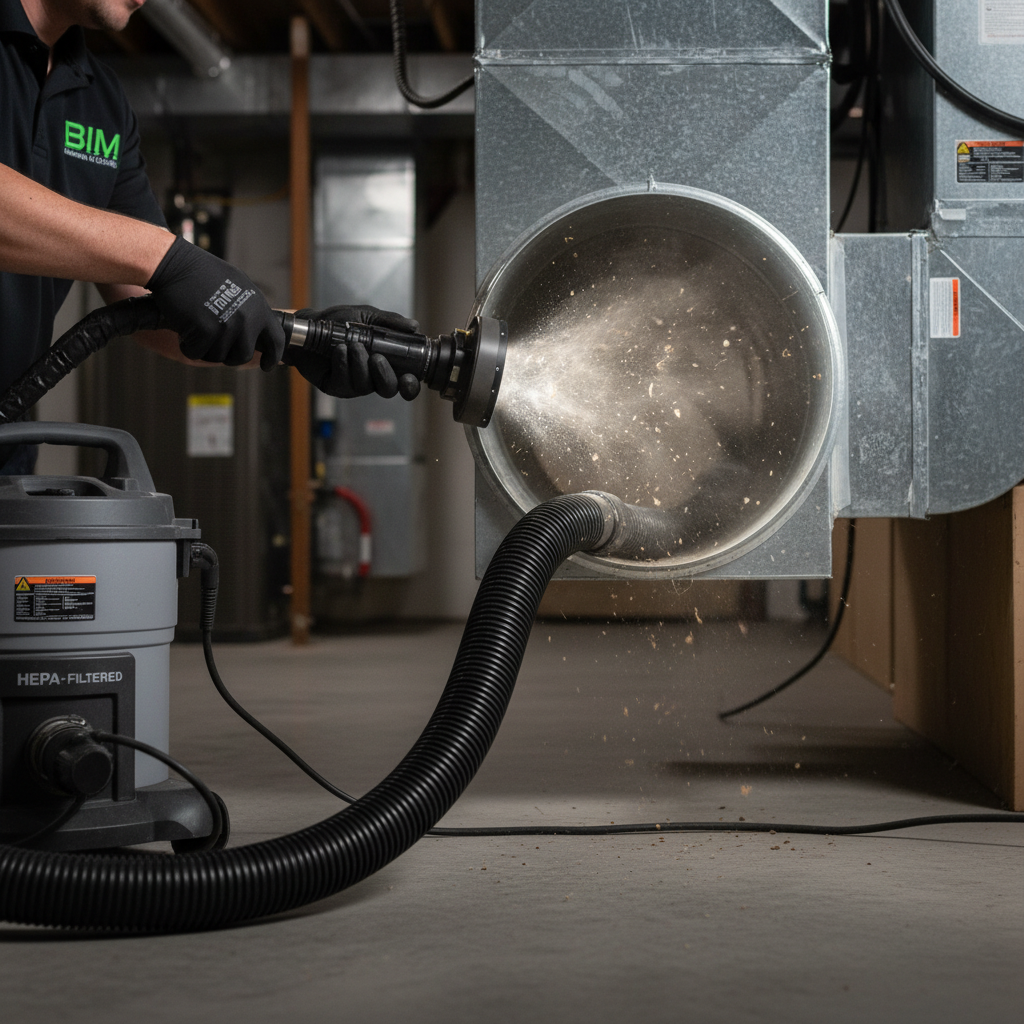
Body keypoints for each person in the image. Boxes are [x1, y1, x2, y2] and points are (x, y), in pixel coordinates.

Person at [0, 0, 416, 475]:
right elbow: (158, 264)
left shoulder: (100, 100)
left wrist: (302, 336)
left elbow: (151, 299)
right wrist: (166, 257)